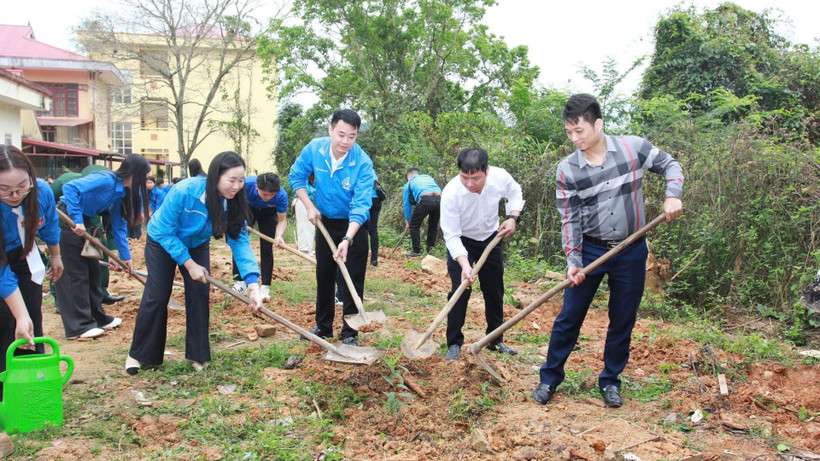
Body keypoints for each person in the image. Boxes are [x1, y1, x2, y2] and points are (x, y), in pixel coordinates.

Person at [533, 93, 684, 408]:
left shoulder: (633, 148)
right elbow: (569, 219)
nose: (574, 138)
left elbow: (671, 165)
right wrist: (574, 260)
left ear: (598, 124)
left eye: (579, 131)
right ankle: (549, 378)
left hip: (631, 249)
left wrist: (673, 194)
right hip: (591, 250)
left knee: (622, 318)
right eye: (569, 132)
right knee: (569, 316)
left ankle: (611, 381)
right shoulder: (568, 170)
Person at [126, 152, 262, 374]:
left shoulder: (232, 201)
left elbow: (239, 240)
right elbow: (165, 231)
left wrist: (253, 284)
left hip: (196, 243)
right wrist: (189, 264)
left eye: (241, 180)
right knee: (157, 295)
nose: (237, 186)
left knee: (199, 292)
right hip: (162, 240)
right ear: (216, 176)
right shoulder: (185, 191)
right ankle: (139, 354)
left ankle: (197, 354)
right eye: (231, 180)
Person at [289, 109, 375, 346]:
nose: (345, 141)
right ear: (330, 130)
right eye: (341, 134)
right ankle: (323, 326)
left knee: (352, 278)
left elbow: (361, 205)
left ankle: (350, 332)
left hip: (354, 225)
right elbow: (296, 177)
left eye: (352, 136)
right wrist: (309, 206)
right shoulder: (314, 150)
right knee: (324, 274)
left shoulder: (362, 162)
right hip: (325, 220)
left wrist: (347, 239)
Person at [439, 147, 524, 360]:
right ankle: (454, 343)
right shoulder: (451, 193)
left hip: (490, 239)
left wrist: (513, 217)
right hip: (462, 241)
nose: (469, 184)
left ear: (487, 171)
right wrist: (465, 265)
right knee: (460, 290)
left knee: (494, 289)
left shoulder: (500, 177)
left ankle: (495, 339)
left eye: (475, 178)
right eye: (464, 177)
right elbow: (451, 235)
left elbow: (515, 192)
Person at [55, 154, 150, 339]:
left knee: (93, 271)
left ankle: (97, 317)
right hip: (67, 220)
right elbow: (70, 188)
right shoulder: (105, 180)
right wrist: (77, 219)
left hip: (84, 222)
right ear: (135, 173)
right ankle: (78, 326)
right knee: (76, 274)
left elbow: (119, 225)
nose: (145, 182)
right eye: (144, 177)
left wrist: (125, 257)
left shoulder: (121, 192)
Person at [0, 145, 62, 399]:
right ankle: (5, 394)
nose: (15, 195)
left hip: (25, 255)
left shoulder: (42, 191)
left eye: (21, 186)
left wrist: (55, 256)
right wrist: (20, 314)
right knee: (6, 320)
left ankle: (33, 389)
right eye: (4, 189)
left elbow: (50, 225)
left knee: (31, 321)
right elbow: (3, 274)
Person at [232, 173, 288, 302]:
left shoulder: (281, 195)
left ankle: (265, 287)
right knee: (239, 242)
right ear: (257, 187)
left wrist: (279, 235)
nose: (268, 198)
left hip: (268, 214)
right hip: (248, 209)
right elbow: (232, 201)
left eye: (272, 195)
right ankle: (240, 283)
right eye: (265, 194)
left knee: (267, 248)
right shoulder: (245, 185)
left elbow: (282, 220)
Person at [402, 168, 442, 257]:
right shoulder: (428, 177)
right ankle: (430, 250)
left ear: (408, 176)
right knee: (433, 226)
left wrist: (408, 221)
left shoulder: (409, 183)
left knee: (414, 225)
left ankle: (416, 251)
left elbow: (407, 205)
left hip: (425, 198)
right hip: (440, 198)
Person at [292, 173, 316, 256]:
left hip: (309, 202)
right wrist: (316, 190)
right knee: (303, 225)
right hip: (302, 201)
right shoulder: (302, 176)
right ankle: (303, 248)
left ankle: (309, 248)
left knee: (310, 226)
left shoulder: (310, 178)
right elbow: (306, 190)